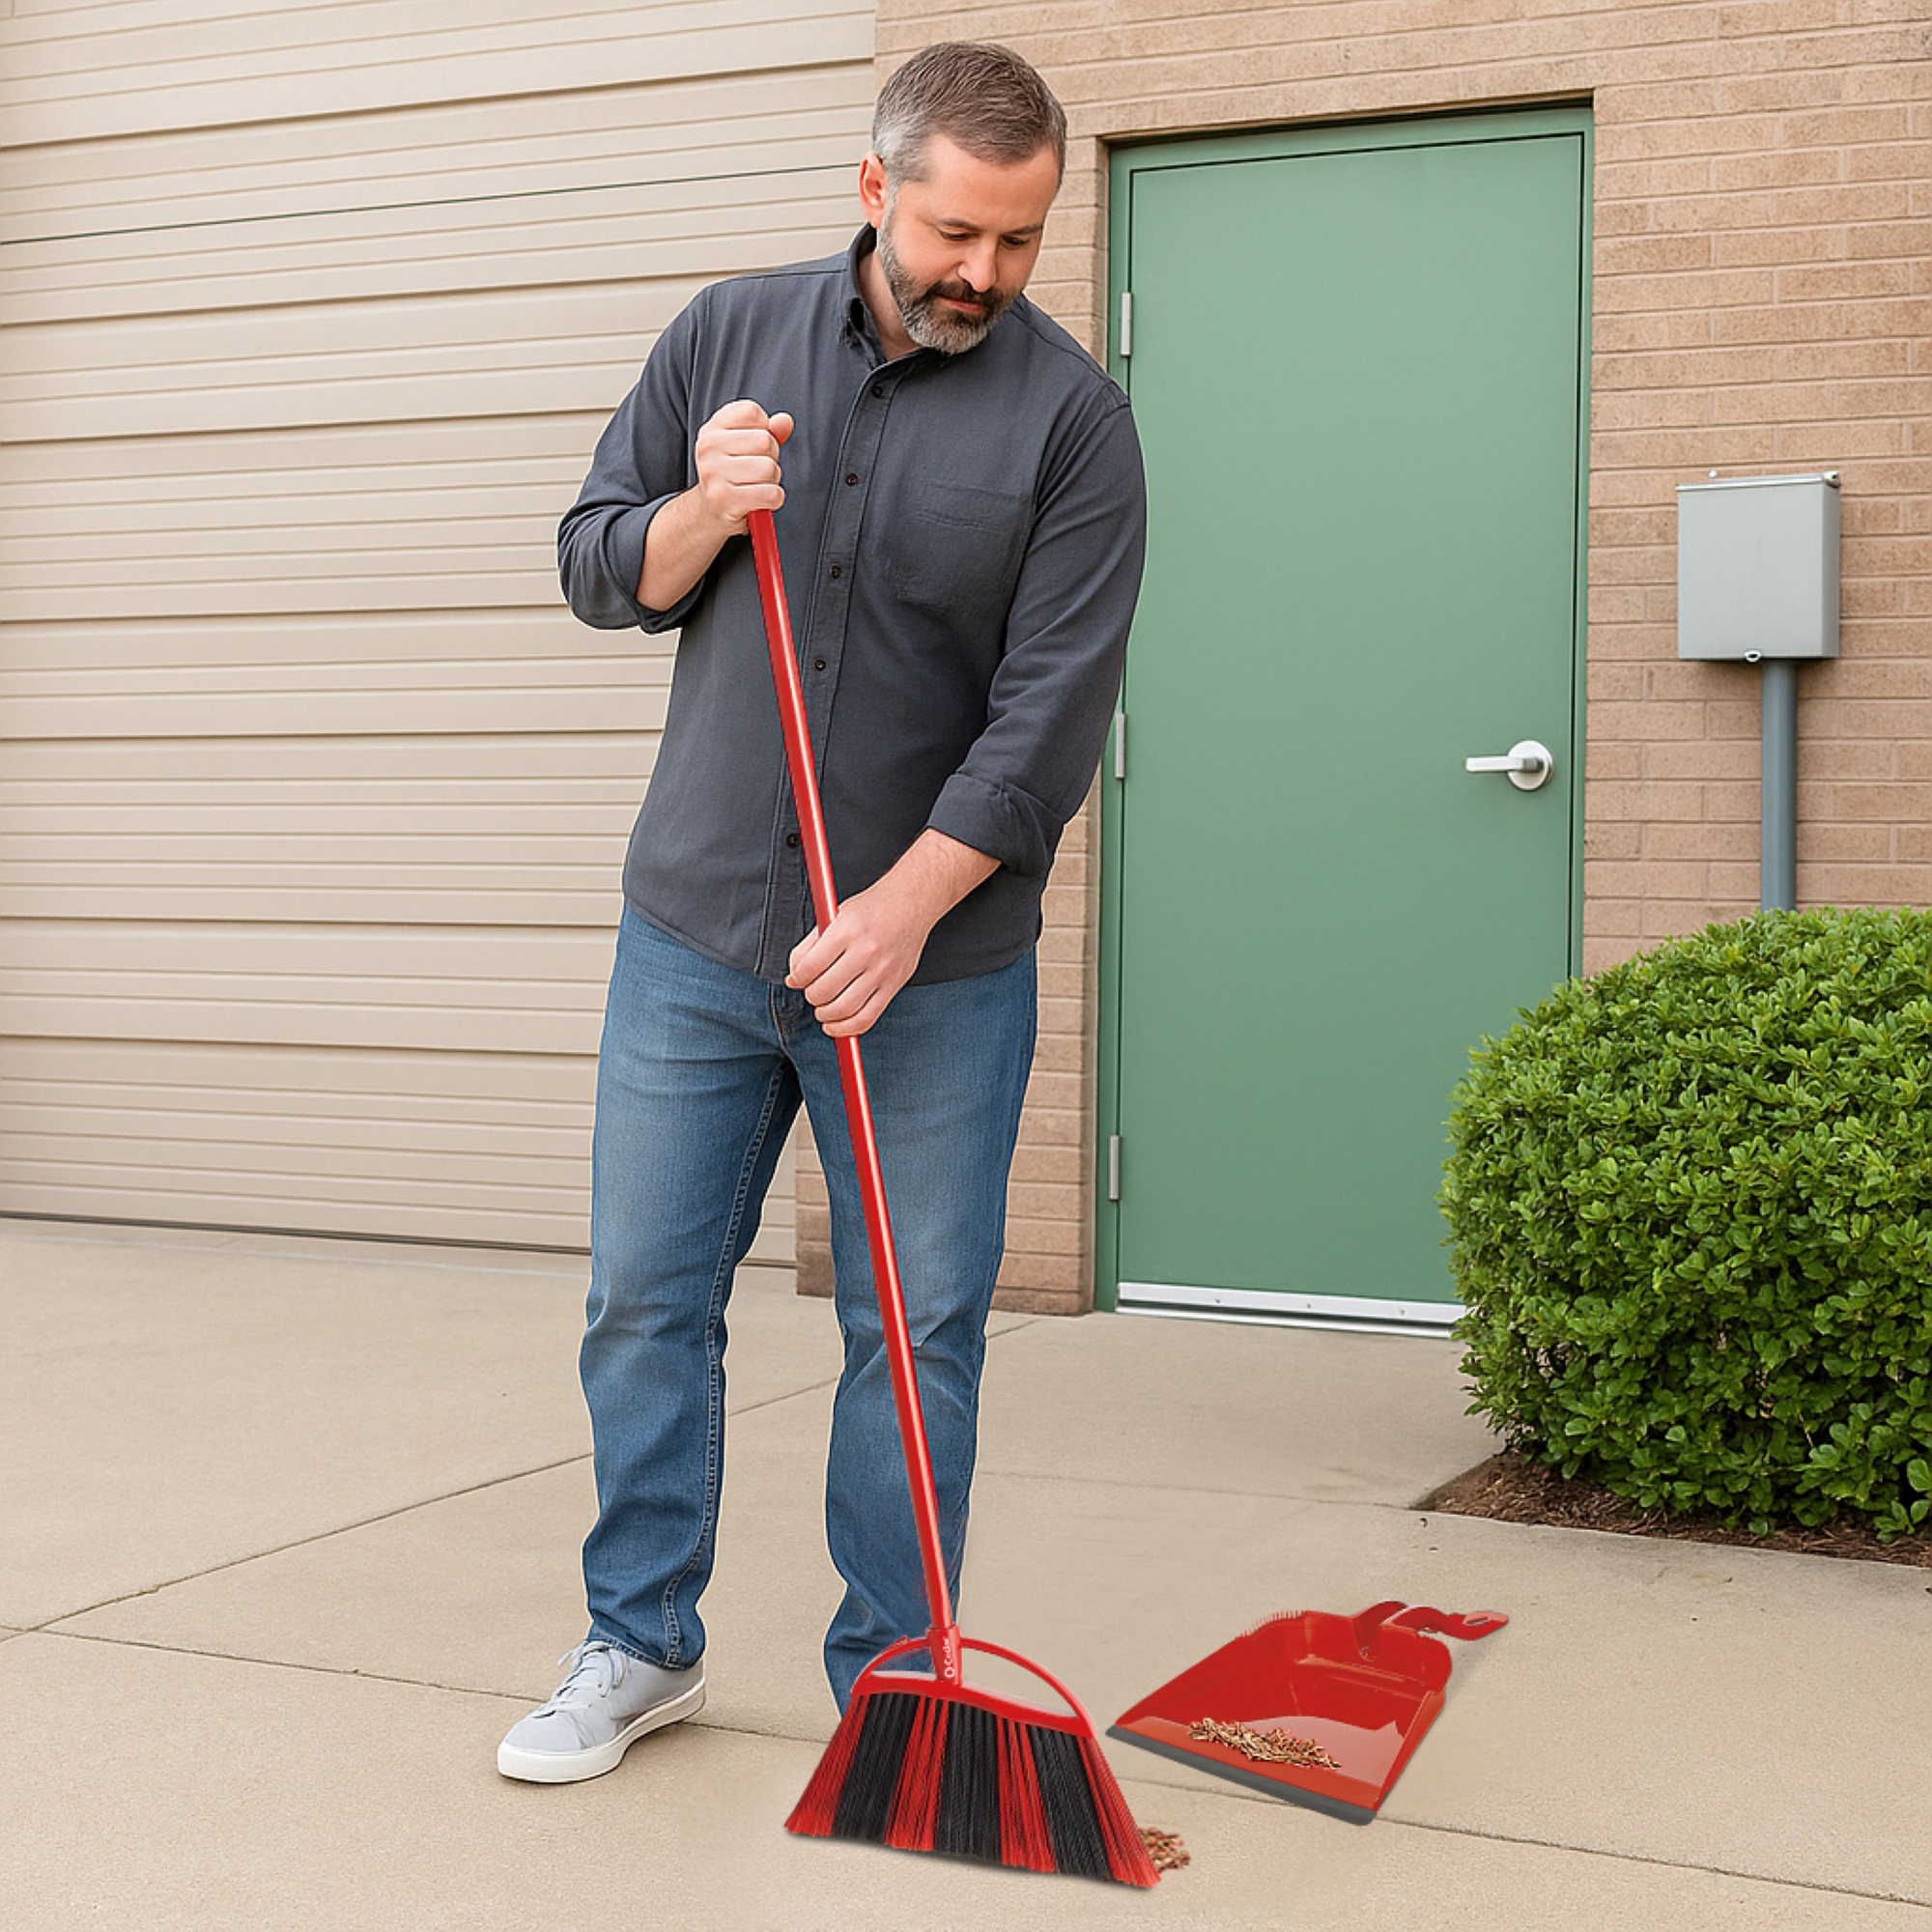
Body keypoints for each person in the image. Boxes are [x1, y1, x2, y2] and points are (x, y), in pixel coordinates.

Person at [497, 41, 1146, 1784]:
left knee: (915, 1331)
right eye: (953, 234)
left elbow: (1050, 718)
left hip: (931, 971)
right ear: (875, 190)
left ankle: (898, 1685)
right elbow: (592, 566)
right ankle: (639, 1642)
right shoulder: (725, 337)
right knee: (644, 1298)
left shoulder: (1075, 422)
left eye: (1018, 243)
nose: (983, 277)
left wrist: (906, 909)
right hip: (697, 931)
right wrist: (708, 508)